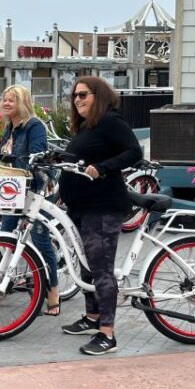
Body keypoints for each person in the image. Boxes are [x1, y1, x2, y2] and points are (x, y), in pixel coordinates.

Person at [59, 76, 142, 356]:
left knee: (101, 268)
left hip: (102, 207)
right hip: (81, 207)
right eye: (74, 95)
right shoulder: (86, 126)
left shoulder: (110, 121)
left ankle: (108, 334)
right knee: (86, 266)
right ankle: (92, 317)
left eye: (83, 94)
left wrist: (104, 167)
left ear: (100, 96)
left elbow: (134, 152)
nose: (77, 99)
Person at [0, 85, 60, 316]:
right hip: (14, 190)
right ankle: (10, 277)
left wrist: (13, 160)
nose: (6, 104)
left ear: (23, 102)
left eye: (12, 100)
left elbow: (36, 157)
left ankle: (53, 293)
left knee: (40, 241)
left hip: (37, 191)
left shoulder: (34, 126)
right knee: (7, 234)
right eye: (4, 100)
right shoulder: (11, 128)